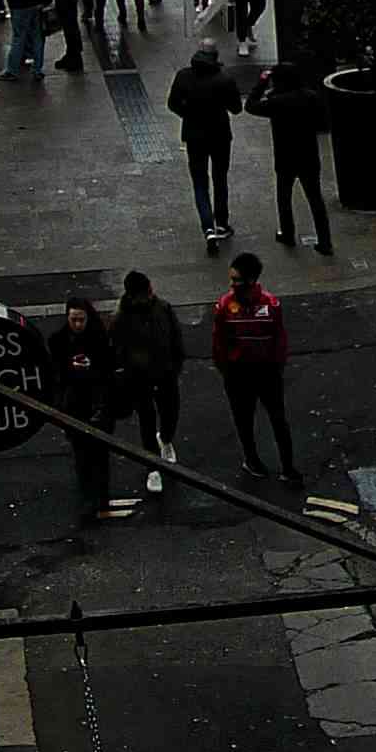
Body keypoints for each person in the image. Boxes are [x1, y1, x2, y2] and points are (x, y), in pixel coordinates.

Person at [211, 254, 297, 482]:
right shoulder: (225, 306)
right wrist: (226, 369)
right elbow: (219, 342)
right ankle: (252, 460)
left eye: (236, 280)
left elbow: (279, 341)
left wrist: (276, 366)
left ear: (251, 280)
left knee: (278, 420)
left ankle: (288, 467)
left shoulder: (270, 305)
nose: (232, 284)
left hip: (265, 372)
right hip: (239, 374)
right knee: (244, 420)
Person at [247, 58, 335, 254]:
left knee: (284, 197)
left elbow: (250, 105)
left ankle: (287, 233)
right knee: (315, 198)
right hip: (308, 154)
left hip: (285, 155)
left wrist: (262, 82)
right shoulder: (311, 97)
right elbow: (322, 123)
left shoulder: (276, 102)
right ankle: (325, 241)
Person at [110, 271, 183, 495]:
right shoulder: (122, 319)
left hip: (165, 374)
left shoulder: (163, 308)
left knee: (170, 412)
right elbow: (118, 351)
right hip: (139, 378)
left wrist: (175, 366)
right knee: (147, 421)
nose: (152, 293)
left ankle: (166, 439)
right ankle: (152, 466)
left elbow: (176, 337)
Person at [53, 296, 119, 525]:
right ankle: (90, 498)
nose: (78, 324)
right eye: (74, 320)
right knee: (82, 457)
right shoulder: (59, 341)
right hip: (76, 406)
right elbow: (57, 376)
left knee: (99, 456)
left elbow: (110, 370)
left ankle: (99, 496)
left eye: (81, 319)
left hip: (97, 405)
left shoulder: (100, 339)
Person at [167, 41, 240, 247]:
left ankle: (208, 227)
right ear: (216, 56)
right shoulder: (224, 79)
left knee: (199, 182)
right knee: (220, 178)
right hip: (220, 135)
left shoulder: (183, 76)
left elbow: (172, 104)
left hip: (194, 135)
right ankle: (222, 223)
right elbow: (236, 108)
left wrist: (188, 114)